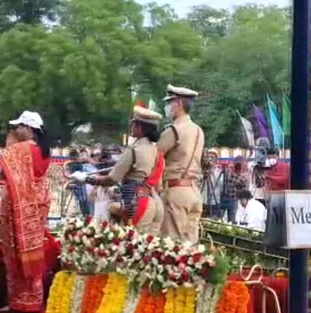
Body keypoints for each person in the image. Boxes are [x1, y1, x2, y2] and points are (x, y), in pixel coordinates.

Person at [71, 105, 162, 225]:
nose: (132, 127)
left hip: (134, 204)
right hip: (152, 201)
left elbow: (112, 179)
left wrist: (86, 178)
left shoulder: (134, 149)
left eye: (134, 124)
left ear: (140, 128)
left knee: (128, 241)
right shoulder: (154, 149)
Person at [0, 110, 51, 313]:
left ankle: (20, 300)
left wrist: (9, 143)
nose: (15, 130)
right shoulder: (43, 150)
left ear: (29, 129)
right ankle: (34, 298)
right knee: (33, 250)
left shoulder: (20, 149)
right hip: (39, 204)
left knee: (15, 250)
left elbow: (4, 170)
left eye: (19, 126)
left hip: (20, 207)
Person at [157, 84, 204, 243]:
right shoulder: (198, 130)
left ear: (178, 104)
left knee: (171, 246)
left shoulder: (174, 129)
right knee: (190, 249)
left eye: (169, 103)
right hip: (194, 192)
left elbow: (154, 156)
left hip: (176, 191)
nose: (167, 107)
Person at [221, 156, 248, 223]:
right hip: (228, 199)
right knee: (227, 219)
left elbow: (243, 188)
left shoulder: (230, 173)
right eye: (238, 164)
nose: (238, 166)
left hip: (230, 199)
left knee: (229, 220)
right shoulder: (240, 177)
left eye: (239, 164)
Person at [201, 149, 224, 219]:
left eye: (212, 157)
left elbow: (220, 185)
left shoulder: (219, 171)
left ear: (216, 160)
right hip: (204, 201)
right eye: (208, 157)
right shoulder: (202, 170)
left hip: (214, 202)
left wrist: (212, 172)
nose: (210, 159)